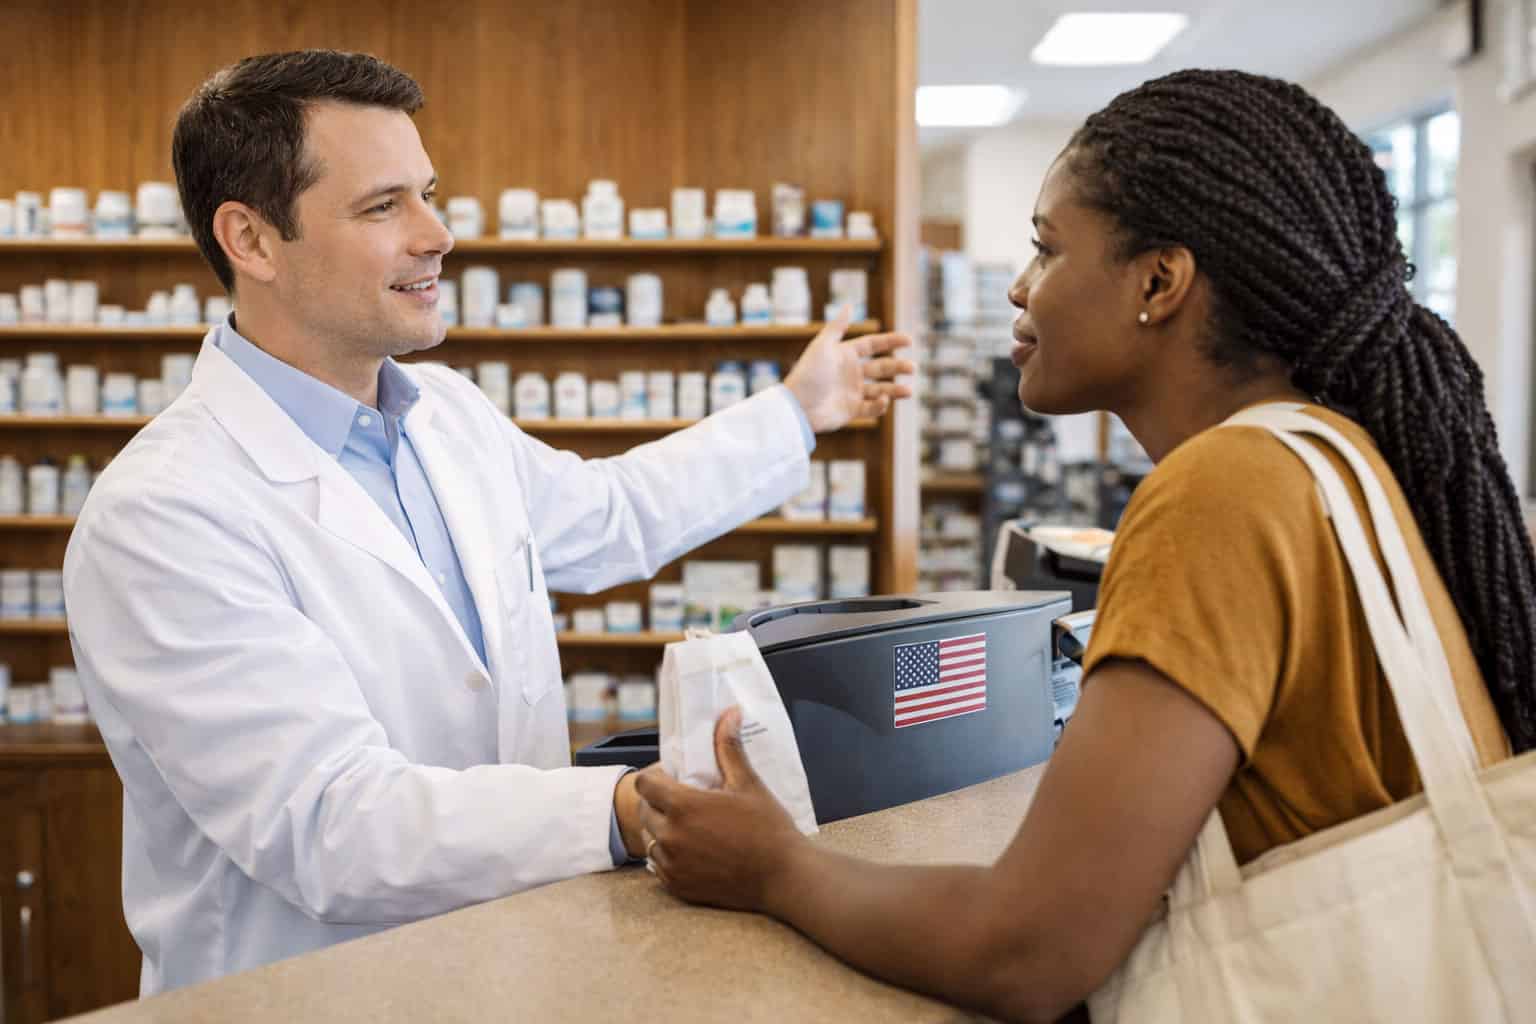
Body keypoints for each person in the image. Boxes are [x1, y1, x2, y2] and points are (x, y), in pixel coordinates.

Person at [635, 68, 1534, 1022]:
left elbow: (1027, 950)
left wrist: (775, 867)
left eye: (1046, 248)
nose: (1021, 287)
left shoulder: (1220, 489)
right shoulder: (1331, 453)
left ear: (1159, 282)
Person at [61, 49, 913, 995]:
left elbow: (612, 515)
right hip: (308, 997)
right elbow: (332, 826)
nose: (439, 234)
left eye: (429, 193)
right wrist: (634, 809)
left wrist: (796, 411)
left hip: (510, 967)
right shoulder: (165, 512)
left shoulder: (446, 415)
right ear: (252, 240)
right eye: (384, 206)